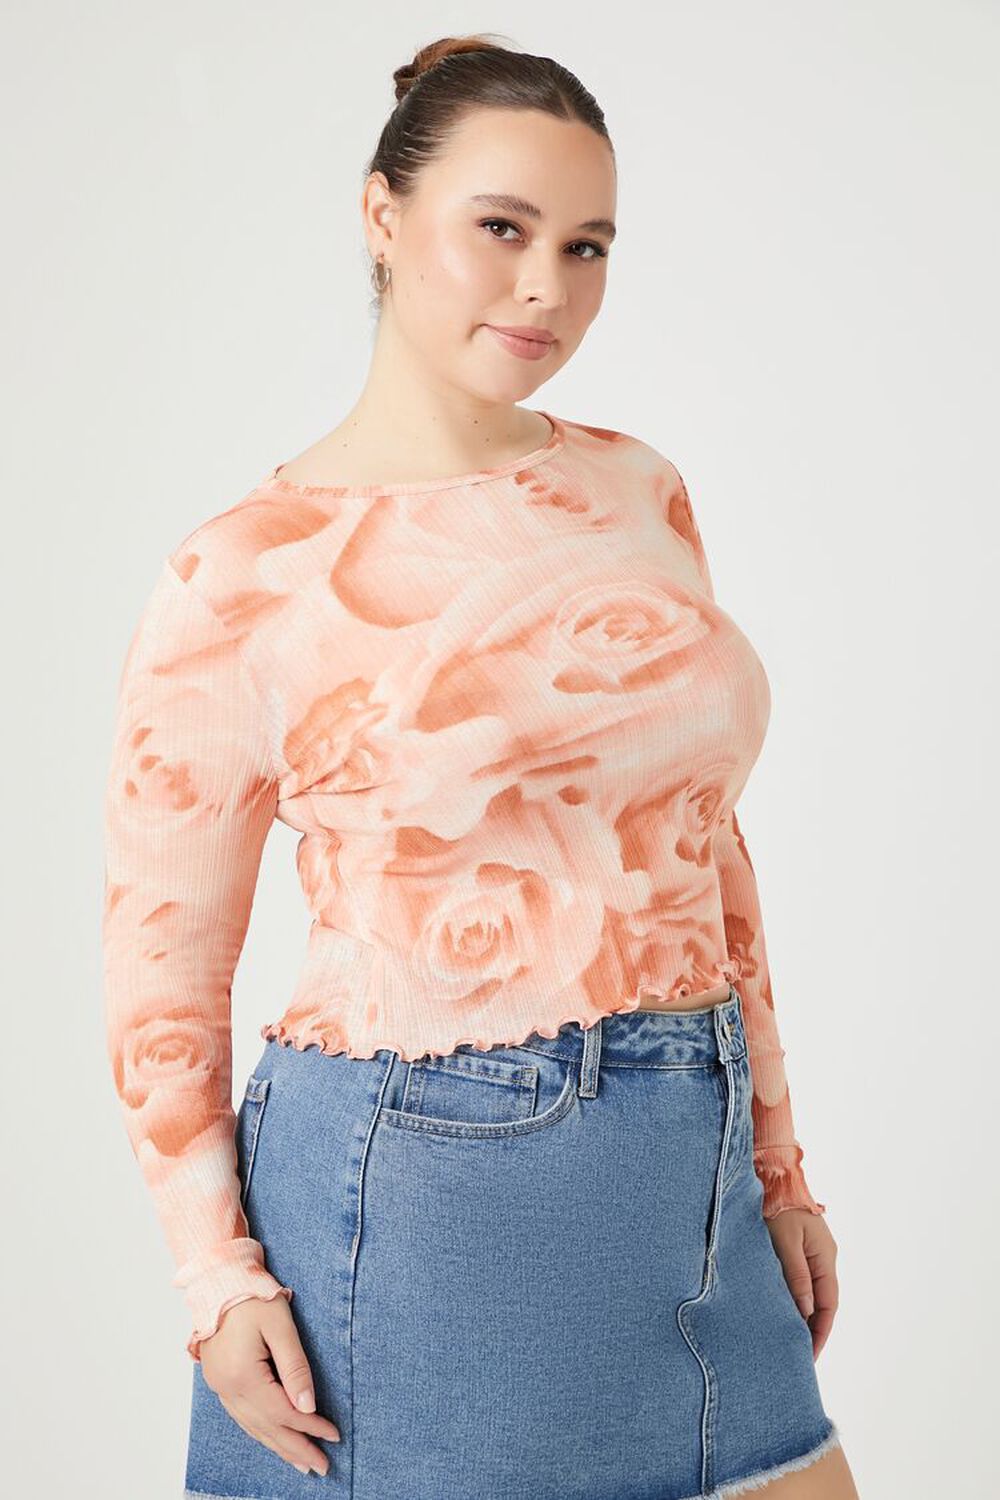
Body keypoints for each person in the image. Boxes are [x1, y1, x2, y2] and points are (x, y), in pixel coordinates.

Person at [102, 32, 859, 1500]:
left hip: (692, 1159)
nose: (546, 290)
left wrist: (777, 1165)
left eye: (586, 246)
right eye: (502, 229)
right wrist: (214, 1273)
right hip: (433, 1182)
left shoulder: (636, 488)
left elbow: (705, 837)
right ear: (381, 217)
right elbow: (163, 968)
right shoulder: (242, 574)